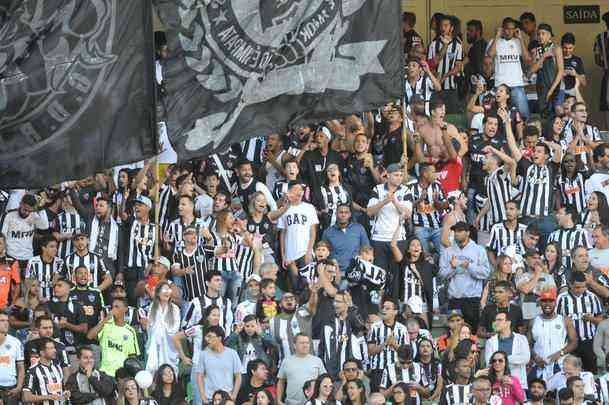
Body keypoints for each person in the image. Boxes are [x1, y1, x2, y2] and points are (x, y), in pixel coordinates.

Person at [439, 222, 491, 331]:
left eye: (460, 231)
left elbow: (486, 272)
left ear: (468, 232)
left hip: (472, 299)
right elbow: (442, 275)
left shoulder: (479, 250)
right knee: (454, 333)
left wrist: (469, 266)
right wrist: (452, 268)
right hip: (454, 299)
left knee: (472, 333)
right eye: (455, 231)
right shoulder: (448, 251)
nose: (456, 233)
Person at [557, 272, 604, 373]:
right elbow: (556, 320)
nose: (581, 290)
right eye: (577, 287)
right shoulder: (562, 299)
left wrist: (592, 319)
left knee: (590, 373)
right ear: (570, 284)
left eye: (583, 286)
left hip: (588, 343)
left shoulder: (592, 297)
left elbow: (601, 321)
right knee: (570, 372)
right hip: (569, 343)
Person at [486, 17, 531, 119]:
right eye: (507, 28)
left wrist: (520, 38)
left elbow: (527, 59)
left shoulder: (518, 42)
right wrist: (497, 36)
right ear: (502, 29)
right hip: (501, 85)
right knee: (501, 115)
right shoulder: (495, 41)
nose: (509, 31)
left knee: (523, 115)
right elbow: (490, 55)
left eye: (512, 29)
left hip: (517, 84)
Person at [278, 181, 319, 290]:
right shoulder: (284, 209)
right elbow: (282, 233)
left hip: (305, 251)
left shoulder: (309, 208)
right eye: (296, 189)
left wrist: (309, 251)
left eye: (301, 189)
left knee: (309, 284)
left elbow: (313, 231)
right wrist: (283, 255)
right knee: (295, 285)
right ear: (290, 192)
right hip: (290, 254)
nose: (299, 192)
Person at [529, 289, 577, 383]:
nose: (547, 304)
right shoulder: (534, 321)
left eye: (550, 301)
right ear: (540, 303)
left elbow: (574, 342)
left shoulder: (565, 320)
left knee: (559, 392)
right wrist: (535, 356)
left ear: (555, 303)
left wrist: (560, 353)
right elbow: (527, 344)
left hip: (559, 364)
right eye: (544, 301)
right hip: (539, 365)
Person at [87, 297, 140, 377]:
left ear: (125, 309)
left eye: (117, 307)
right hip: (105, 372)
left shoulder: (130, 331)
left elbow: (132, 356)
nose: (113, 310)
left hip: (122, 374)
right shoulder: (105, 326)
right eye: (113, 307)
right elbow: (90, 336)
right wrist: (106, 319)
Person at [367, 298, 409, 390]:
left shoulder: (402, 329)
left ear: (395, 311)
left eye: (387, 308)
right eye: (383, 308)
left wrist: (394, 344)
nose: (384, 310)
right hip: (378, 370)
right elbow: (370, 351)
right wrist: (385, 343)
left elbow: (406, 353)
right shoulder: (375, 327)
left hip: (396, 370)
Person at [195, 326, 242, 404]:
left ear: (219, 338)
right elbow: (199, 376)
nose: (208, 340)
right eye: (207, 337)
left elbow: (238, 376)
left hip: (227, 398)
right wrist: (203, 397)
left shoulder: (232, 353)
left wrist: (234, 395)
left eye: (210, 337)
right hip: (210, 398)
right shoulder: (203, 354)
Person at [427, 15, 463, 113]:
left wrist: (445, 76)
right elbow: (430, 65)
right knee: (436, 113)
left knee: (452, 115)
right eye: (442, 25)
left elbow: (458, 66)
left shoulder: (458, 45)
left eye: (446, 25)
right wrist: (436, 77)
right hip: (436, 88)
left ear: (451, 28)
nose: (443, 28)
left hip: (451, 88)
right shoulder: (434, 44)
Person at [484, 312, 530, 389]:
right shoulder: (490, 341)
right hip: (497, 384)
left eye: (499, 320)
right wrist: (513, 359)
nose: (496, 323)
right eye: (495, 320)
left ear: (508, 323)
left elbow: (526, 358)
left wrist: (503, 359)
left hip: (518, 383)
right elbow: (489, 362)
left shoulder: (521, 339)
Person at [142, 281, 181, 373]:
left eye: (168, 290)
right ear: (158, 293)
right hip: (154, 343)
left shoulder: (175, 308)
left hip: (169, 344)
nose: (167, 292)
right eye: (164, 290)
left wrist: (163, 329)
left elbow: (175, 328)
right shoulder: (152, 307)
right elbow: (150, 326)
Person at [276, 334, 326, 405]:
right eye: (302, 343)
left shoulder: (317, 361)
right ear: (294, 345)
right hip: (291, 403)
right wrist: (278, 400)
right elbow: (281, 382)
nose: (305, 345)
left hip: (313, 403)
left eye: (307, 343)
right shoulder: (286, 361)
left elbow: (325, 381)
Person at [322, 204, 369, 273]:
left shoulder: (359, 229)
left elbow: (367, 250)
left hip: (356, 271)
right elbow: (324, 253)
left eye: (346, 212)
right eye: (341, 212)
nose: (343, 215)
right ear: (336, 214)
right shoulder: (328, 232)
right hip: (336, 272)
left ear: (350, 214)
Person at [530, 23, 564, 117]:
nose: (540, 36)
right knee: (544, 114)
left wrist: (551, 90)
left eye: (543, 33)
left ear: (549, 35)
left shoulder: (556, 49)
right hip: (542, 87)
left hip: (556, 86)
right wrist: (543, 56)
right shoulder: (536, 51)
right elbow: (531, 70)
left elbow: (561, 71)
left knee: (558, 112)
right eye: (539, 34)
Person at [22, 337, 69, 404]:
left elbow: (60, 390)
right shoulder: (32, 371)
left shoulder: (58, 368)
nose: (55, 350)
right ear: (42, 352)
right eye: (50, 348)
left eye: (54, 348)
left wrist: (65, 393)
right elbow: (26, 397)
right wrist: (48, 397)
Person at [0, 311, 23, 405]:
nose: (6, 323)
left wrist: (19, 387)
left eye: (7, 321)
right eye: (2, 320)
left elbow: (21, 367)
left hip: (11, 389)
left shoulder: (16, 342)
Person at [593, 12, 609, 129]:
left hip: (607, 73)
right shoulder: (600, 38)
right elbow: (597, 59)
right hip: (607, 74)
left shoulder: (600, 38)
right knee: (606, 103)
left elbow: (597, 59)